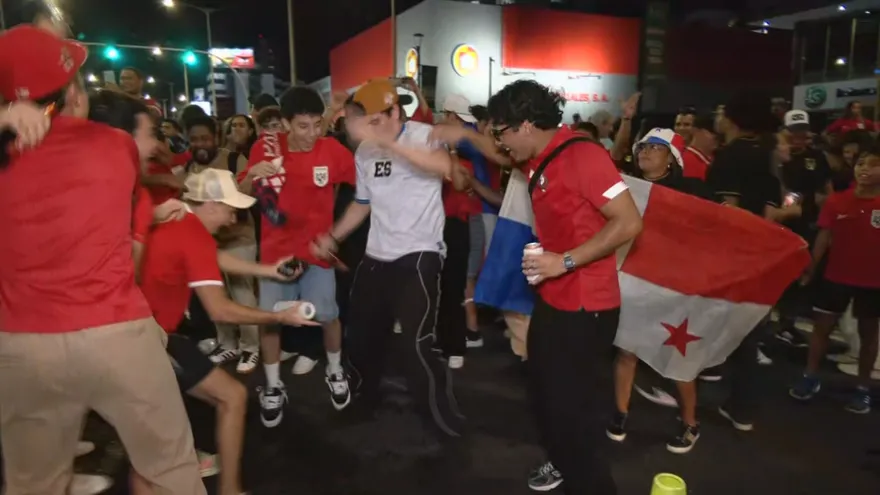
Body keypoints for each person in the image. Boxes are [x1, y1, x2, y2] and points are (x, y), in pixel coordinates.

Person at [0, 25, 204, 494]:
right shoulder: (113, 147)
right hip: (116, 334)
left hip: (23, 345)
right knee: (171, 469)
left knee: (33, 485)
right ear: (73, 92)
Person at [487, 80, 643, 494]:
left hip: (587, 306)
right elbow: (492, 153)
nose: (500, 146)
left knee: (573, 414)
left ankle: (591, 483)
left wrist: (565, 260)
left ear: (523, 125)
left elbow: (629, 222)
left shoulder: (582, 156)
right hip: (554, 301)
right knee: (544, 397)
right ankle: (563, 463)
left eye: (501, 134)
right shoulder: (538, 158)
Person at [134, 168, 317, 495]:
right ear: (210, 204)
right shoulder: (194, 234)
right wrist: (279, 317)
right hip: (146, 340)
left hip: (146, 332)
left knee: (215, 404)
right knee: (161, 449)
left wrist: (267, 270)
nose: (233, 219)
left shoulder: (177, 217)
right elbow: (220, 309)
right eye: (230, 209)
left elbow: (211, 257)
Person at [312, 78, 465, 438]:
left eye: (375, 120)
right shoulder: (365, 151)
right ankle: (365, 400)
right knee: (362, 337)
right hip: (377, 256)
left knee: (416, 344)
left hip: (419, 254)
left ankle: (442, 419)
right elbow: (362, 205)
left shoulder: (425, 134)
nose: (368, 129)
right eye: (364, 122)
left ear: (395, 111)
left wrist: (388, 142)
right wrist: (332, 237)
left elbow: (443, 168)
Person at [241, 86, 354, 425]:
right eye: (303, 126)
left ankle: (334, 370)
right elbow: (242, 191)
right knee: (272, 321)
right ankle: (273, 385)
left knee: (328, 315)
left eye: (317, 124)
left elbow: (362, 190)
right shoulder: (266, 147)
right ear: (286, 124)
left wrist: (335, 235)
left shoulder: (331, 150)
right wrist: (252, 179)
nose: (312, 133)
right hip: (277, 257)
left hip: (318, 254)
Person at [609, 128, 711, 456]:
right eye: (643, 147)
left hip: (675, 285)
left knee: (678, 355)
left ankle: (690, 422)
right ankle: (621, 413)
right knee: (627, 350)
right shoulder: (626, 188)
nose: (646, 152)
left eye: (656, 147)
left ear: (673, 158)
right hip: (635, 281)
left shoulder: (692, 192)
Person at [790, 147, 880, 413]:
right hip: (835, 276)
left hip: (874, 282)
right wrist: (810, 268)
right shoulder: (836, 201)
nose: (864, 169)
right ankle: (810, 376)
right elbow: (823, 238)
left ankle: (863, 389)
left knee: (869, 335)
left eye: (873, 165)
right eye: (861, 163)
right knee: (822, 328)